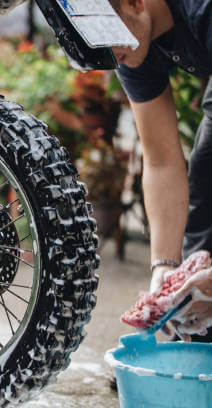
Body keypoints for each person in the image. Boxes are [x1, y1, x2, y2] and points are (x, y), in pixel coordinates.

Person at [108, 0, 212, 341]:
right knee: (204, 185)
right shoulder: (127, 42)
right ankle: (198, 340)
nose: (106, 52)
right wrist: (164, 267)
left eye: (108, 33)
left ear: (134, 1)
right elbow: (162, 160)